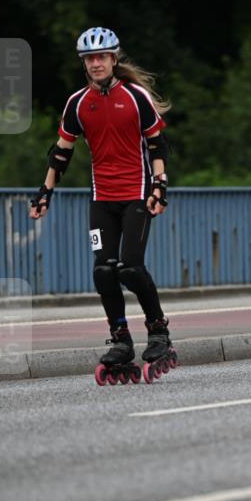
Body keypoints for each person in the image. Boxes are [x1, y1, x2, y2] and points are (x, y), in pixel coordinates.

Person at [29, 26, 173, 373]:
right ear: (84, 63)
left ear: (113, 58)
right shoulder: (78, 103)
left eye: (102, 57)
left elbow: (157, 144)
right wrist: (45, 192)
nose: (96, 63)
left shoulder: (136, 96)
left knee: (131, 267)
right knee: (104, 271)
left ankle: (158, 331)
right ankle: (121, 340)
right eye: (90, 58)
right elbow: (61, 152)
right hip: (101, 198)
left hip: (137, 194)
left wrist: (160, 185)